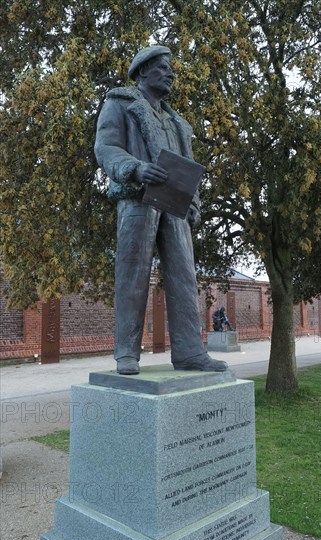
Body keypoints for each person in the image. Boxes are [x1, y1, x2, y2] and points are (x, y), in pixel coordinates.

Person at [94, 45, 228, 375]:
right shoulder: (120, 104)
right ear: (142, 72)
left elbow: (186, 165)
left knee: (184, 275)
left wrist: (193, 202)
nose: (170, 73)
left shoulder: (176, 121)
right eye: (163, 68)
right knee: (132, 273)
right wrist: (135, 168)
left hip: (175, 206)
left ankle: (188, 352)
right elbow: (105, 147)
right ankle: (126, 351)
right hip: (137, 199)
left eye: (171, 69)